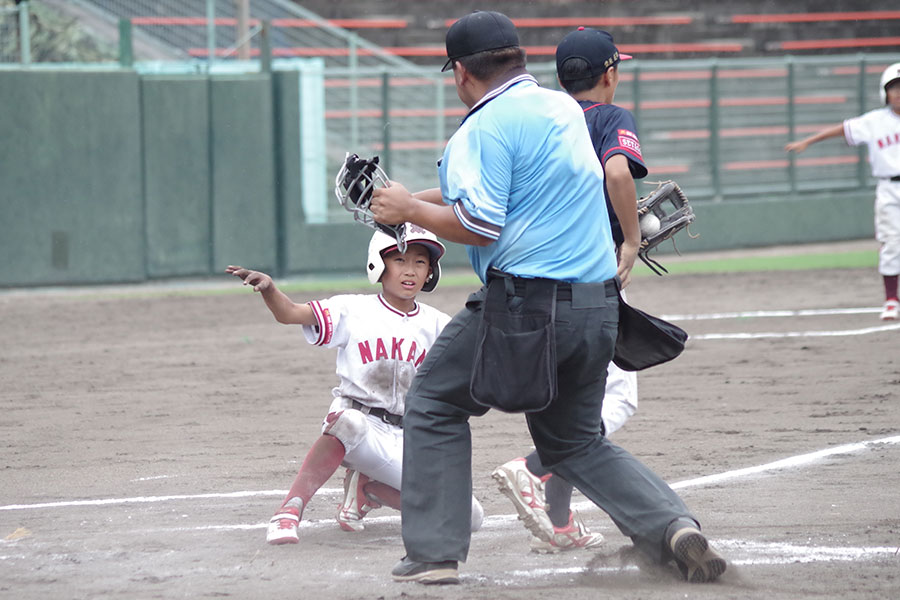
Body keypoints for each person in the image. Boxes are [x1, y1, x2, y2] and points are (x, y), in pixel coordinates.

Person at [370, 10, 726, 585]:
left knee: (435, 400)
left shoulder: (478, 129)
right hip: (598, 306)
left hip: (525, 309)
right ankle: (672, 528)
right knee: (575, 440)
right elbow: (516, 186)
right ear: (518, 59)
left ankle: (434, 554)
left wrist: (410, 212)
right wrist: (411, 196)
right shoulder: (562, 108)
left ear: (460, 73)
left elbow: (480, 222)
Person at [225, 223, 484, 545]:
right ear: (379, 263)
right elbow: (291, 313)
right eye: (400, 260)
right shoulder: (353, 309)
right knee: (348, 422)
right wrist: (269, 290)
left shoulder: (439, 324)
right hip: (360, 427)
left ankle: (368, 489)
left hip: (410, 438)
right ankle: (289, 511)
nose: (411, 271)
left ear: (431, 271)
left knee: (470, 517)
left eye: (420, 262)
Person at [492, 27, 647, 554]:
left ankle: (558, 519)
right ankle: (532, 467)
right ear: (610, 73)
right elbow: (618, 172)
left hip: (534, 280)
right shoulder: (607, 116)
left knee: (568, 396)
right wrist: (630, 239)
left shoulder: (543, 119)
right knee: (615, 394)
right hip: (590, 276)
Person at [785, 62, 900, 321]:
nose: (899, 93)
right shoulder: (875, 121)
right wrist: (807, 141)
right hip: (889, 188)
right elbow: (843, 129)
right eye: (894, 88)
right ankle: (892, 300)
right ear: (885, 93)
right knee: (892, 243)